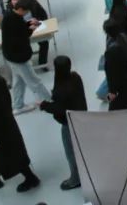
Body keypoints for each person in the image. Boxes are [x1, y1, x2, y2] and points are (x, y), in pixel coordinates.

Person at [0, 60, 41, 192]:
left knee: (6, 153)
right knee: (6, 151)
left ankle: (31, 178)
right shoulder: (0, 81)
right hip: (8, 123)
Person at [37, 55, 86, 190]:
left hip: (69, 123)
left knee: (71, 152)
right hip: (82, 117)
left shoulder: (61, 89)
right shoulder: (75, 77)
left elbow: (59, 109)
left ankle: (75, 179)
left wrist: (44, 105)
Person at [1, 0, 51, 112]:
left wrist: (28, 24)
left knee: (18, 82)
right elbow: (23, 35)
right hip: (18, 57)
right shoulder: (15, 20)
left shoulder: (10, 16)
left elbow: (19, 30)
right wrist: (32, 28)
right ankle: (49, 101)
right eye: (27, 11)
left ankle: (18, 106)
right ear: (21, 9)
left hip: (10, 55)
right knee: (34, 81)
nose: (27, 14)